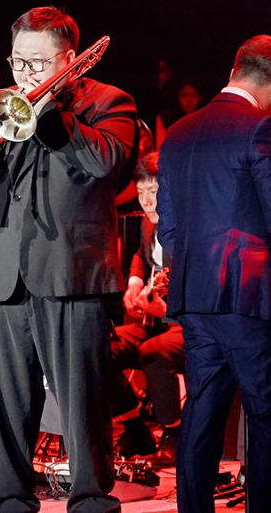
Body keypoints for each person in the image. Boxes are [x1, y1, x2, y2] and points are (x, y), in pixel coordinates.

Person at [0, 6, 137, 512]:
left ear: (69, 59)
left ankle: (90, 499)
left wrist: (48, 113)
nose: (25, 73)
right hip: (2, 271)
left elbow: (106, 162)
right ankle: (11, 500)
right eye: (18, 61)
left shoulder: (108, 101)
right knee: (6, 402)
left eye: (37, 62)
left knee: (82, 397)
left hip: (72, 269)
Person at [157, 35, 271, 512]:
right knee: (270, 414)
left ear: (234, 71)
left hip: (195, 297)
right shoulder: (262, 128)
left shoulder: (179, 131)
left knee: (203, 413)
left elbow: (167, 230)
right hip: (250, 299)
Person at [109, 152, 184, 468]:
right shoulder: (147, 222)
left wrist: (163, 308)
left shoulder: (189, 227)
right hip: (155, 321)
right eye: (141, 193)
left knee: (154, 352)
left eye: (153, 192)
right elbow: (142, 255)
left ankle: (175, 434)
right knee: (99, 347)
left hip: (186, 327)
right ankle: (135, 429)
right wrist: (134, 284)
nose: (146, 202)